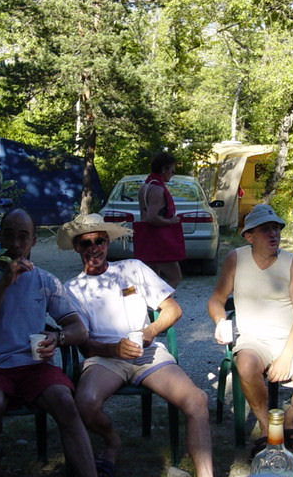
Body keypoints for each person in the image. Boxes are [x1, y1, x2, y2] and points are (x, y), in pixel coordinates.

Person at [56, 213, 213, 477]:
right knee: (85, 404)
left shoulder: (132, 268)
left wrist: (151, 330)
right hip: (105, 359)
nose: (94, 248)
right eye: (86, 243)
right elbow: (85, 345)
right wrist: (114, 349)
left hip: (146, 352)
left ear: (107, 242)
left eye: (99, 241)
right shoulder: (72, 288)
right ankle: (112, 440)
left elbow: (173, 309)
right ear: (76, 247)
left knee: (197, 400)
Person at [0, 208, 97, 477]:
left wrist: (57, 338)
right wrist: (3, 284)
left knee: (65, 401)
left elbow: (79, 330)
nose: (15, 244)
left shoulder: (45, 280)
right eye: (9, 235)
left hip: (33, 365)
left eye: (23, 236)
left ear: (33, 241)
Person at [207, 204, 293, 456]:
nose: (273, 234)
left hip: (290, 339)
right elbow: (216, 299)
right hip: (253, 339)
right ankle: (265, 427)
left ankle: (287, 421)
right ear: (249, 236)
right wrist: (220, 322)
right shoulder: (236, 259)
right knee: (246, 365)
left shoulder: (292, 263)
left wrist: (286, 357)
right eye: (265, 230)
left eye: (276, 228)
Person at [135, 150, 185, 289]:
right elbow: (153, 218)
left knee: (153, 279)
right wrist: (171, 221)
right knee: (175, 277)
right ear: (164, 169)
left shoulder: (145, 187)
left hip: (147, 239)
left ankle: (153, 302)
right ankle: (162, 301)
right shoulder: (158, 190)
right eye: (172, 171)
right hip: (159, 240)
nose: (173, 174)